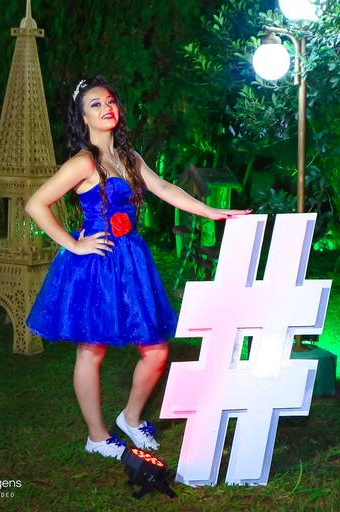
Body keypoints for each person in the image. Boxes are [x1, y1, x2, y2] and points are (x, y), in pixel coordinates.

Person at [24, 76, 249, 460]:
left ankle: (130, 418)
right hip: (97, 263)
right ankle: (97, 436)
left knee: (156, 351)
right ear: (83, 117)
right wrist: (74, 244)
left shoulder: (129, 157)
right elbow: (36, 204)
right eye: (95, 104)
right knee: (91, 351)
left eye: (110, 101)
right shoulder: (84, 161)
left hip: (131, 262)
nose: (106, 108)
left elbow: (164, 189)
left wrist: (210, 211)